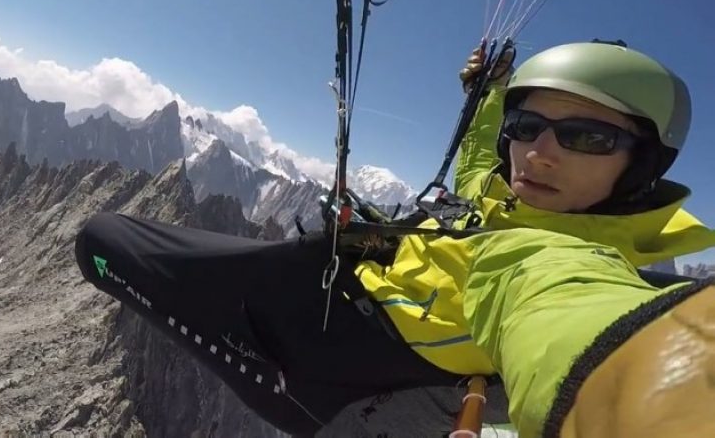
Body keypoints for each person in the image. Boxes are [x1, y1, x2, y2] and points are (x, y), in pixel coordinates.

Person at [75, 40, 715, 436]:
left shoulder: (548, 260)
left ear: (641, 166)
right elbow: (476, 167)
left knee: (102, 238)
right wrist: (490, 96)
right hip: (336, 272)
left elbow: (578, 325)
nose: (538, 154)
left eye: (587, 137)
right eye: (526, 125)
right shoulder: (516, 196)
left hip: (305, 351)